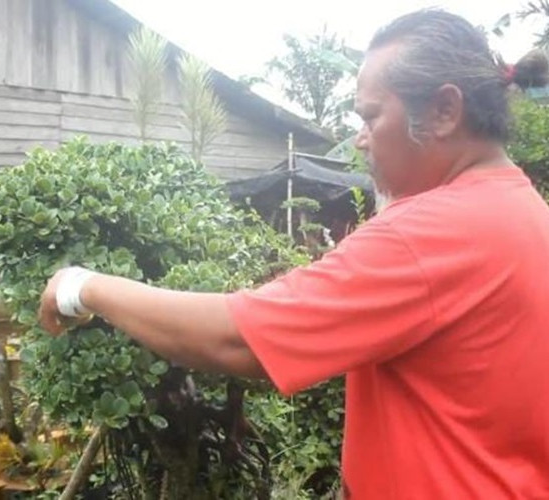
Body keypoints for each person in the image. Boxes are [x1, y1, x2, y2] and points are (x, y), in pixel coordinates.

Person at [39, 10, 549, 499]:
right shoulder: (521, 209)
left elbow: (238, 340)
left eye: (371, 116)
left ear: (444, 110)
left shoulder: (432, 233)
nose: (360, 139)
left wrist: (81, 285)